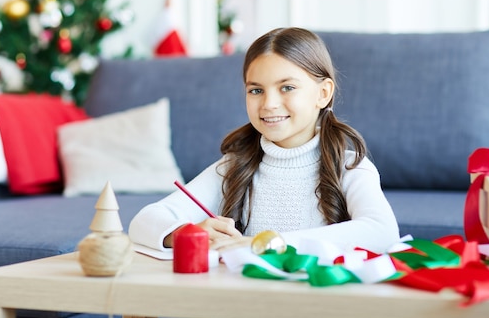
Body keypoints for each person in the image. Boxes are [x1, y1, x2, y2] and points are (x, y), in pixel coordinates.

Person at [129, 27, 399, 255]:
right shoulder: (234, 167)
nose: (269, 104)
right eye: (256, 90)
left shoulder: (350, 168)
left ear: (323, 93)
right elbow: (144, 221)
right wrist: (187, 234)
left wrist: (260, 245)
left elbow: (382, 231)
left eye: (287, 88)